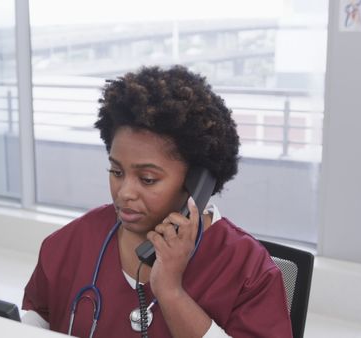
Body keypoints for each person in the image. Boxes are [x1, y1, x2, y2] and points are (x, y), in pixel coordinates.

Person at [22, 65, 292, 337]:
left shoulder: (247, 270)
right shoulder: (71, 243)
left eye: (147, 179)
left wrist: (171, 292)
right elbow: (30, 321)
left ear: (197, 182)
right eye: (117, 172)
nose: (125, 192)